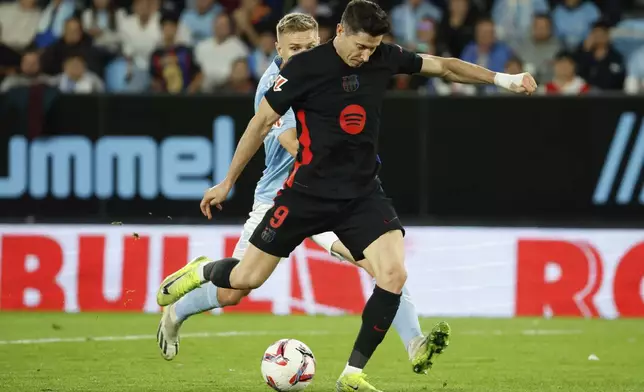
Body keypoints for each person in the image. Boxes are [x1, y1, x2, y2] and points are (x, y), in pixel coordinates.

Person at [157, 1, 536, 390]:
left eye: (373, 48)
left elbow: (444, 65)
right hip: (298, 195)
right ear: (337, 33)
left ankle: (361, 369)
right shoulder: (295, 74)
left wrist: (502, 80)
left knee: (391, 271)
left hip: (358, 196)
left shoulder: (379, 57)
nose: (365, 55)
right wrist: (227, 181)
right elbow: (271, 131)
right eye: (360, 46)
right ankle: (200, 273)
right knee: (241, 282)